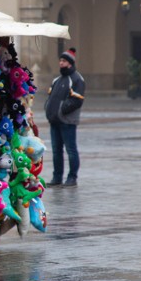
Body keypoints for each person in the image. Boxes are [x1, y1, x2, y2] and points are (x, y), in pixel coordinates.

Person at [43, 47, 85, 187]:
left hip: (67, 121)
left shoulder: (77, 79)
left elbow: (77, 100)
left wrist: (61, 110)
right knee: (56, 151)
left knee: (71, 150)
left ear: (70, 63)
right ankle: (57, 177)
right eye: (60, 60)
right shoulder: (57, 80)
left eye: (64, 61)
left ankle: (72, 177)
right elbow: (50, 97)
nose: (61, 63)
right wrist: (48, 109)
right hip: (54, 121)